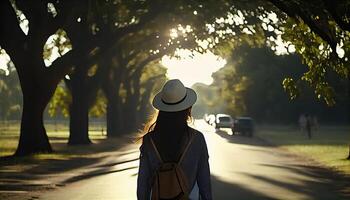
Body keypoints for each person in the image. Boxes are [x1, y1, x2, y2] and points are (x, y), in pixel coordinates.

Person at [137, 79, 212, 200]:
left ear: (162, 110)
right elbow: (204, 182)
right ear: (187, 108)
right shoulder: (197, 139)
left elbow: (143, 182)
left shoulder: (149, 140)